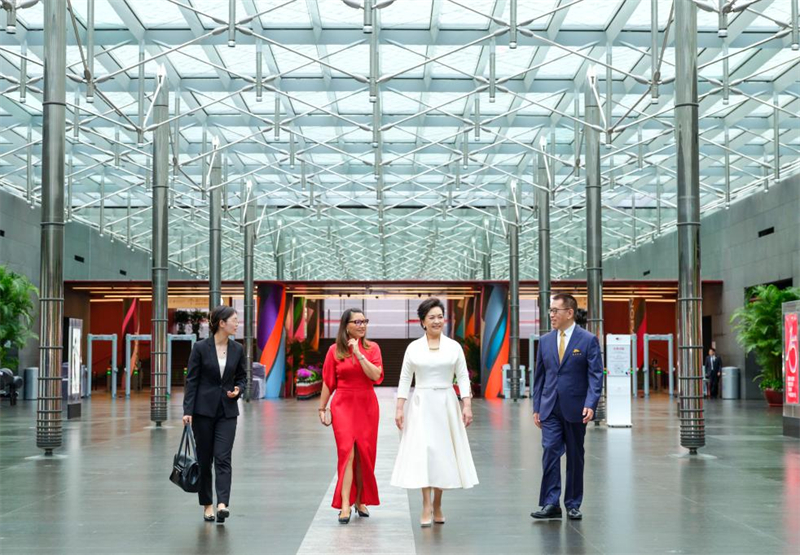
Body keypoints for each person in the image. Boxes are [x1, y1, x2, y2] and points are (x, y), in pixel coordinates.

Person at [391, 297, 478, 527]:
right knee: (423, 454)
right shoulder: (413, 348)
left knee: (442, 454)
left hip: (447, 403)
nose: (437, 321)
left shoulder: (454, 347)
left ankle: (438, 503)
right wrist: (400, 407)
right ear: (422, 322)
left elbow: (463, 376)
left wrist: (466, 404)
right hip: (421, 403)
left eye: (440, 317)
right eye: (432, 317)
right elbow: (404, 378)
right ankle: (426, 504)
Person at [532, 293, 603, 521]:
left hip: (576, 409)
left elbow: (595, 375)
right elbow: (540, 378)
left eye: (555, 311)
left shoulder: (588, 340)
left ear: (569, 313)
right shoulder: (544, 341)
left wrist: (591, 404)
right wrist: (536, 407)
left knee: (575, 456)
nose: (551, 315)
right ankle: (550, 503)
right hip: (550, 408)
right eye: (550, 311)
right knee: (550, 451)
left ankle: (573, 503)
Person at [318, 308, 384, 524]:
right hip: (343, 405)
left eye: (364, 321)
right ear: (345, 325)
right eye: (357, 322)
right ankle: (345, 503)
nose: (362, 325)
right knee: (347, 453)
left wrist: (358, 353)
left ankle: (360, 499)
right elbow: (329, 381)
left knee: (364, 454)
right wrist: (322, 407)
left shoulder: (372, 348)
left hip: (366, 405)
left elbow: (376, 375)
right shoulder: (334, 351)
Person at [182, 305, 246, 523]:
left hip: (227, 411)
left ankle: (222, 504)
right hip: (203, 411)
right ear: (221, 323)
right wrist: (187, 411)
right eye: (234, 320)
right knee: (204, 459)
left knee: (223, 457)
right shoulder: (200, 348)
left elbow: (242, 377)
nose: (238, 323)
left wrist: (238, 390)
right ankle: (207, 504)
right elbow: (191, 380)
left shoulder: (238, 349)